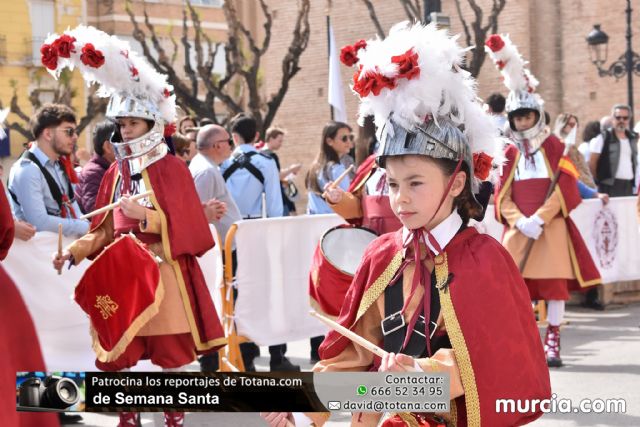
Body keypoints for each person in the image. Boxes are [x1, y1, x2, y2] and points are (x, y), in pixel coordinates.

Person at [265, 22, 550, 427]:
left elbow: (494, 359)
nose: (400, 198)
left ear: (457, 183)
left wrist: (422, 378)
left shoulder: (486, 258)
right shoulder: (382, 254)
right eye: (393, 183)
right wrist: (304, 403)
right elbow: (353, 354)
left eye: (416, 183)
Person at [45, 25, 226, 427]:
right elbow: (104, 230)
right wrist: (73, 252)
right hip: (127, 275)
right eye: (121, 125)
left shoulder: (173, 168)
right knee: (121, 356)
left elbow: (191, 229)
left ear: (150, 125)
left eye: (131, 124)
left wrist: (148, 216)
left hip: (164, 273)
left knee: (170, 356)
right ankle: (128, 418)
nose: (124, 132)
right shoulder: (116, 172)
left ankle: (173, 419)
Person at [486, 33, 602, 367]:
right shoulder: (506, 152)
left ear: (537, 116)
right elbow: (501, 193)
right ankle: (520, 341)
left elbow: (566, 185)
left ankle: (553, 339)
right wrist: (519, 219)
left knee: (553, 287)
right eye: (517, 118)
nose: (522, 122)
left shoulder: (555, 148)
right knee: (514, 288)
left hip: (549, 228)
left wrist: (541, 217)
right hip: (519, 227)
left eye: (527, 116)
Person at [220, 113, 298, 372]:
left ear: (233, 136)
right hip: (259, 233)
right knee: (270, 293)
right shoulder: (265, 162)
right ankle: (277, 355)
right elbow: (275, 206)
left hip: (230, 235)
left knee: (238, 294)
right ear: (257, 136)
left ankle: (246, 355)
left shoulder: (221, 164)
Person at [8, 104, 89, 237]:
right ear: (48, 134)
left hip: (63, 249)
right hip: (38, 253)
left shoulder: (59, 165)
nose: (75, 137)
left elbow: (72, 207)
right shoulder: (27, 169)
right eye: (69, 131)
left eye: (75, 132)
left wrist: (87, 225)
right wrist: (84, 227)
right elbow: (39, 222)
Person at [589, 104, 638, 196]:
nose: (621, 121)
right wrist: (601, 181)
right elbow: (592, 163)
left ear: (629, 119)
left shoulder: (632, 139)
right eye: (618, 117)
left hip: (628, 185)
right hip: (609, 186)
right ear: (612, 118)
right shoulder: (603, 138)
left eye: (625, 118)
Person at [305, 121, 353, 214]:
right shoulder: (336, 169)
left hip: (316, 221)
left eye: (350, 137)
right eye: (344, 138)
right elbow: (348, 200)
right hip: (333, 222)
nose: (349, 142)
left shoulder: (314, 167)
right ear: (329, 141)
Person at [75, 121, 116, 213]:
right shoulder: (93, 172)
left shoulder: (112, 168)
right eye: (121, 141)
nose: (126, 145)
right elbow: (94, 210)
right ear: (108, 146)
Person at [260, 126, 301, 216]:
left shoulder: (258, 154)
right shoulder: (271, 155)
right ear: (271, 139)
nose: (281, 144)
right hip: (278, 199)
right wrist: (292, 169)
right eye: (279, 141)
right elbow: (277, 176)